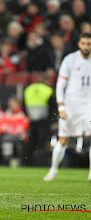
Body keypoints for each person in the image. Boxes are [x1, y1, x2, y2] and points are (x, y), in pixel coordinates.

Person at [43, 33, 91, 181]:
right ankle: (53, 170)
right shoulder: (70, 60)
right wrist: (61, 107)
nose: (86, 47)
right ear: (79, 44)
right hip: (70, 106)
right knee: (63, 139)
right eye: (83, 43)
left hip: (88, 105)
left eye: (89, 44)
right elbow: (60, 86)